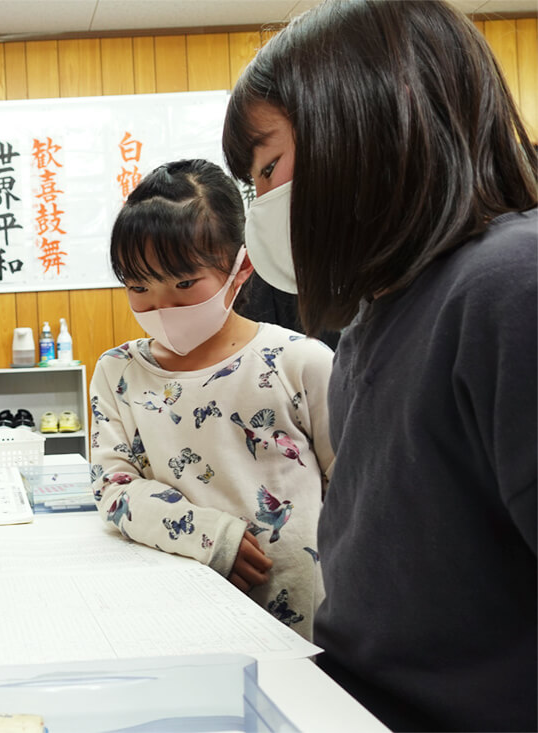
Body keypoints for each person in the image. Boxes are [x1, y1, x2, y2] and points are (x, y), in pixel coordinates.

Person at [222, 1, 537, 730]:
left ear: (366, 126)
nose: (262, 202)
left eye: (268, 167)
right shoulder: (374, 321)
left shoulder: (511, 285)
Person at [89, 159, 334, 641]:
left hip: (304, 611)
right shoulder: (118, 372)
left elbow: (355, 488)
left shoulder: (300, 362)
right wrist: (206, 535)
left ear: (241, 266)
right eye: (139, 287)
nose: (162, 305)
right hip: (178, 603)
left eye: (184, 284)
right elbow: (113, 486)